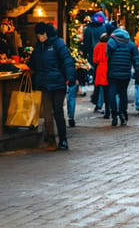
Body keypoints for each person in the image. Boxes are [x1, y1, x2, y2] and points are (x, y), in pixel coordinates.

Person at [28, 22, 76, 151]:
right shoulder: (38, 47)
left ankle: (63, 140)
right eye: (38, 35)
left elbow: (67, 60)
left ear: (45, 34)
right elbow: (32, 63)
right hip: (44, 84)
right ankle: (51, 140)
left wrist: (71, 77)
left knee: (58, 111)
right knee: (47, 113)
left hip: (58, 83)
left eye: (40, 35)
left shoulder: (58, 44)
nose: (39, 37)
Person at [105, 27, 139, 127]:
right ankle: (122, 113)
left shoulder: (111, 42)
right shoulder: (131, 44)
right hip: (125, 73)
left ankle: (114, 114)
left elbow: (107, 56)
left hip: (112, 73)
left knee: (111, 93)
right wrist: (137, 71)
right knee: (123, 93)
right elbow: (136, 59)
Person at [82, 12, 107, 112]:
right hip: (105, 58)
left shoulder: (87, 29)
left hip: (94, 57)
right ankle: (101, 102)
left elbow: (86, 45)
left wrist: (85, 55)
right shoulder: (104, 28)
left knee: (98, 80)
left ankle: (98, 101)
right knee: (104, 82)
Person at [92, 33, 110, 118]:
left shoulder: (97, 46)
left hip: (100, 70)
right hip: (109, 69)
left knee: (101, 90)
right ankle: (108, 109)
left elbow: (95, 60)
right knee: (108, 91)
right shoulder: (110, 46)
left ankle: (100, 106)